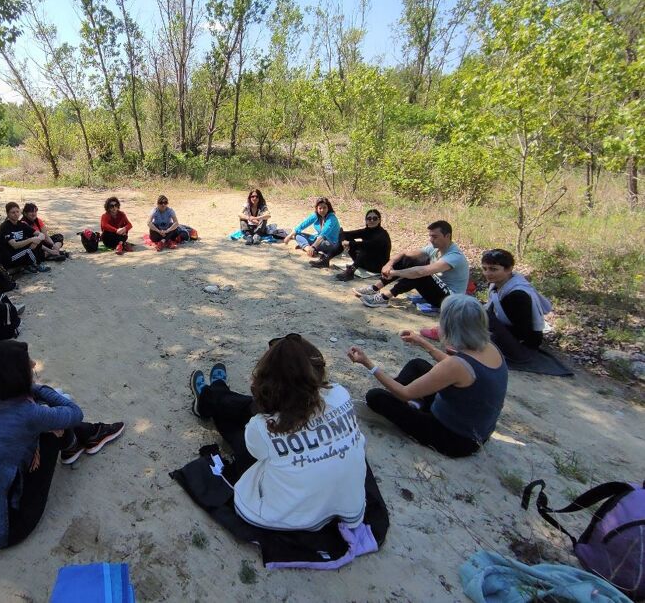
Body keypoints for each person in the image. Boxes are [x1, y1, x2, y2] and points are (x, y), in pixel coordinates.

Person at [0, 341, 125, 549]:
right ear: (15, 376)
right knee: (53, 429)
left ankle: (80, 440)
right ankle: (84, 438)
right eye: (26, 363)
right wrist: (36, 388)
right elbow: (74, 413)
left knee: (47, 423)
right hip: (5, 530)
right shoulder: (24, 413)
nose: (33, 364)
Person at [187, 334, 367, 531]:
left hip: (284, 516)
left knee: (232, 422)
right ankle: (214, 393)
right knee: (249, 410)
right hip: (349, 507)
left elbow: (256, 452)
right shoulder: (340, 393)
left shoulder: (262, 426)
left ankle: (210, 397)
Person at [347, 294, 508, 458]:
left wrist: (368, 364)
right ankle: (408, 404)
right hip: (473, 425)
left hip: (456, 439)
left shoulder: (457, 365)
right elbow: (460, 372)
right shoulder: (489, 347)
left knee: (376, 396)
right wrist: (423, 343)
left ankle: (406, 406)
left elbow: (406, 392)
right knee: (417, 365)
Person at [357, 220, 469, 309]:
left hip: (450, 300)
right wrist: (389, 264)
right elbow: (406, 254)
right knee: (410, 260)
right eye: (430, 236)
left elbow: (421, 272)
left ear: (447, 236)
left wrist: (394, 272)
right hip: (436, 291)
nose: (431, 240)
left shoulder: (454, 256)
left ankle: (384, 298)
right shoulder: (435, 248)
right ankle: (375, 288)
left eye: (435, 237)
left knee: (420, 273)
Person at [481, 249, 551, 363]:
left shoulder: (518, 295)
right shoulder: (497, 284)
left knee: (482, 315)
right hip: (508, 336)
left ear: (508, 269)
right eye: (485, 269)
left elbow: (523, 333)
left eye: (493, 269)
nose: (487, 273)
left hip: (522, 348)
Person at [333, 209, 392, 281]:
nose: (372, 220)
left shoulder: (383, 234)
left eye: (375, 218)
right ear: (366, 221)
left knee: (365, 246)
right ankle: (326, 259)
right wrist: (343, 241)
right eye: (369, 218)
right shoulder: (366, 231)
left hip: (377, 266)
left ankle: (351, 271)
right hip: (364, 262)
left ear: (379, 220)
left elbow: (370, 244)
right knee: (349, 238)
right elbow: (344, 234)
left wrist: (349, 243)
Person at [283, 197, 341, 268]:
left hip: (331, 243)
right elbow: (302, 225)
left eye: (324, 208)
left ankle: (309, 248)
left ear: (328, 208)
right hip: (318, 239)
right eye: (320, 208)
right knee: (297, 235)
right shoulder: (316, 216)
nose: (322, 210)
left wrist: (313, 247)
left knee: (321, 242)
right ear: (317, 208)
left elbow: (323, 235)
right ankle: (308, 249)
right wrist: (289, 236)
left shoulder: (332, 218)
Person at [0, 202, 49, 274]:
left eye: (17, 211)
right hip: (10, 256)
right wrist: (31, 240)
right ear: (8, 214)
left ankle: (27, 265)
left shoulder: (21, 224)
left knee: (37, 241)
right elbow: (15, 245)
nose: (16, 214)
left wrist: (36, 240)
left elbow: (41, 234)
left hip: (19, 253)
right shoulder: (5, 227)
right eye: (13, 212)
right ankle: (36, 265)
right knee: (29, 249)